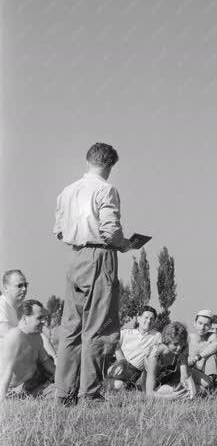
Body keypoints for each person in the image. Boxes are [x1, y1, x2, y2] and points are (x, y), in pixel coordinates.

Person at [52, 143, 134, 404]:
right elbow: (110, 230)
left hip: (75, 256)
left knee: (71, 329)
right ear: (110, 164)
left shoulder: (67, 190)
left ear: (88, 160)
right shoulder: (105, 189)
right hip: (100, 256)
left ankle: (64, 393)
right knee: (98, 328)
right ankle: (91, 394)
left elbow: (59, 231)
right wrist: (124, 244)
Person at [0, 300, 56, 400]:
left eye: (43, 317)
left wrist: (62, 378)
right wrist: (2, 400)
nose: (43, 321)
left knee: (63, 390)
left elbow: (46, 361)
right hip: (15, 389)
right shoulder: (15, 337)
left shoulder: (37, 336)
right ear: (25, 319)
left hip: (34, 382)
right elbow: (6, 371)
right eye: (39, 318)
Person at [0, 269, 57, 359]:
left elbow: (38, 334)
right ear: (5, 288)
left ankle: (56, 362)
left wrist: (54, 357)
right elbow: (9, 337)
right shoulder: (1, 307)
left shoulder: (20, 309)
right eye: (19, 286)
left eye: (25, 285)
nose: (24, 289)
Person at [105, 306, 161, 390]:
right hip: (119, 363)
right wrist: (122, 361)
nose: (149, 321)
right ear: (139, 319)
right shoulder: (125, 333)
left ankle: (101, 385)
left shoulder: (156, 336)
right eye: (146, 318)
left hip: (134, 371)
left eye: (152, 319)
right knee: (109, 371)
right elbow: (115, 345)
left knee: (119, 385)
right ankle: (96, 383)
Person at [144, 322, 198, 400]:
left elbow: (184, 375)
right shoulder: (154, 355)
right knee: (172, 391)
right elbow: (149, 394)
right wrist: (170, 397)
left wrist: (187, 387)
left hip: (172, 376)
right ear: (166, 341)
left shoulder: (183, 347)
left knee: (205, 384)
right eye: (175, 344)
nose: (179, 347)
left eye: (181, 343)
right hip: (156, 382)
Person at [188, 310, 217, 387]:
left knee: (212, 356)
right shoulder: (188, 338)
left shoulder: (212, 336)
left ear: (210, 326)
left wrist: (199, 357)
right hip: (190, 370)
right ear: (195, 323)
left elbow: (215, 345)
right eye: (200, 323)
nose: (202, 327)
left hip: (205, 372)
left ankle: (211, 381)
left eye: (206, 325)